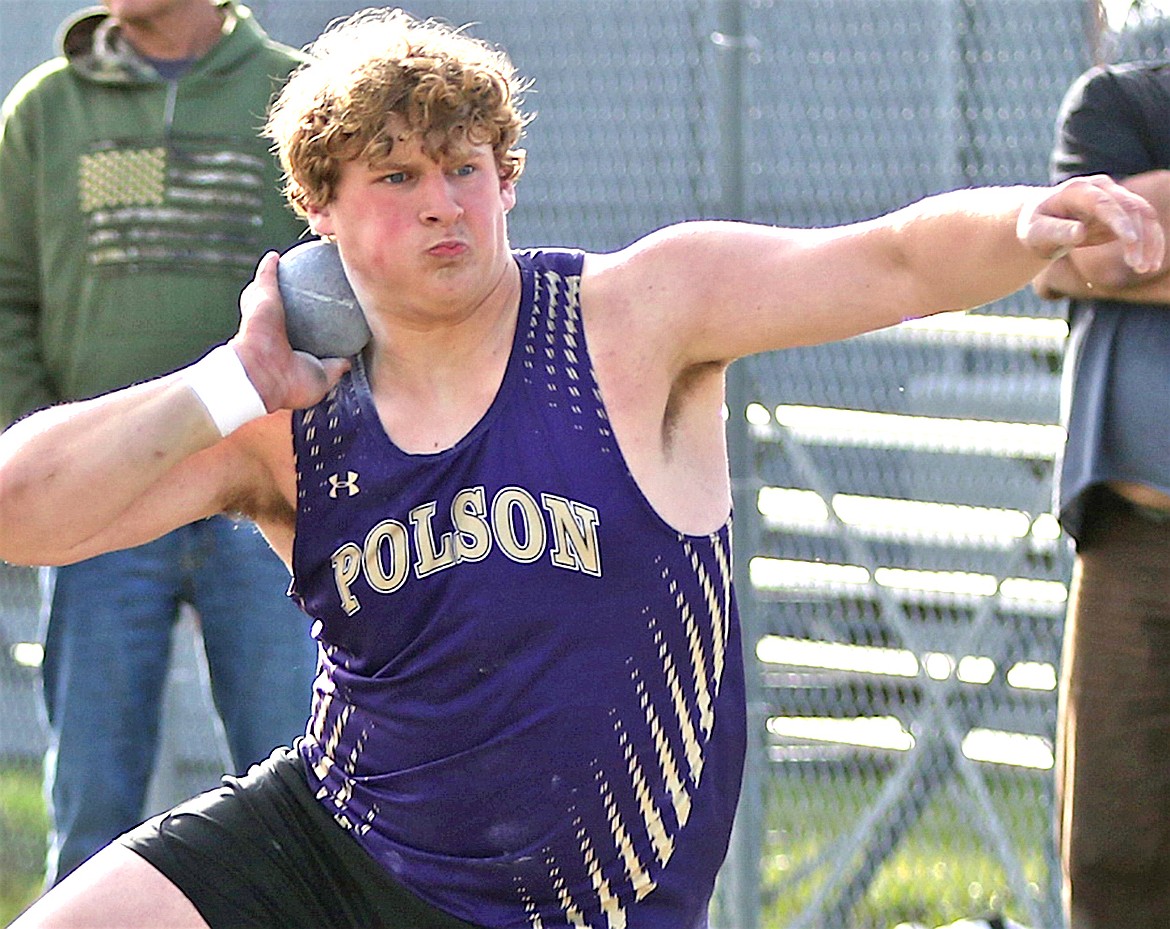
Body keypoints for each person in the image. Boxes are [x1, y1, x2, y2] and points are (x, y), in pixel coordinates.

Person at [0, 8, 1162, 929]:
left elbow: (890, 260)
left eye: (466, 167)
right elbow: (19, 509)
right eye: (396, 178)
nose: (444, 204)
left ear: (510, 175)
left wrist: (1028, 226)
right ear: (319, 213)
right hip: (338, 839)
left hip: (588, 901)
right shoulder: (290, 409)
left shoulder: (637, 316)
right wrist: (225, 383)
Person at [0, 0, 318, 887]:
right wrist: (47, 448)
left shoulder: (292, 94)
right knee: (93, 802)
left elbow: (339, 276)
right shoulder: (43, 112)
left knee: (301, 777)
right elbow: (5, 293)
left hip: (266, 504)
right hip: (103, 502)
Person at [1032, 60, 1170, 929]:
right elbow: (1074, 249)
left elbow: (1123, 255)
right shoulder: (1120, 102)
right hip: (1137, 539)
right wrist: (1099, 252)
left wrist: (1138, 263)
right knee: (1113, 855)